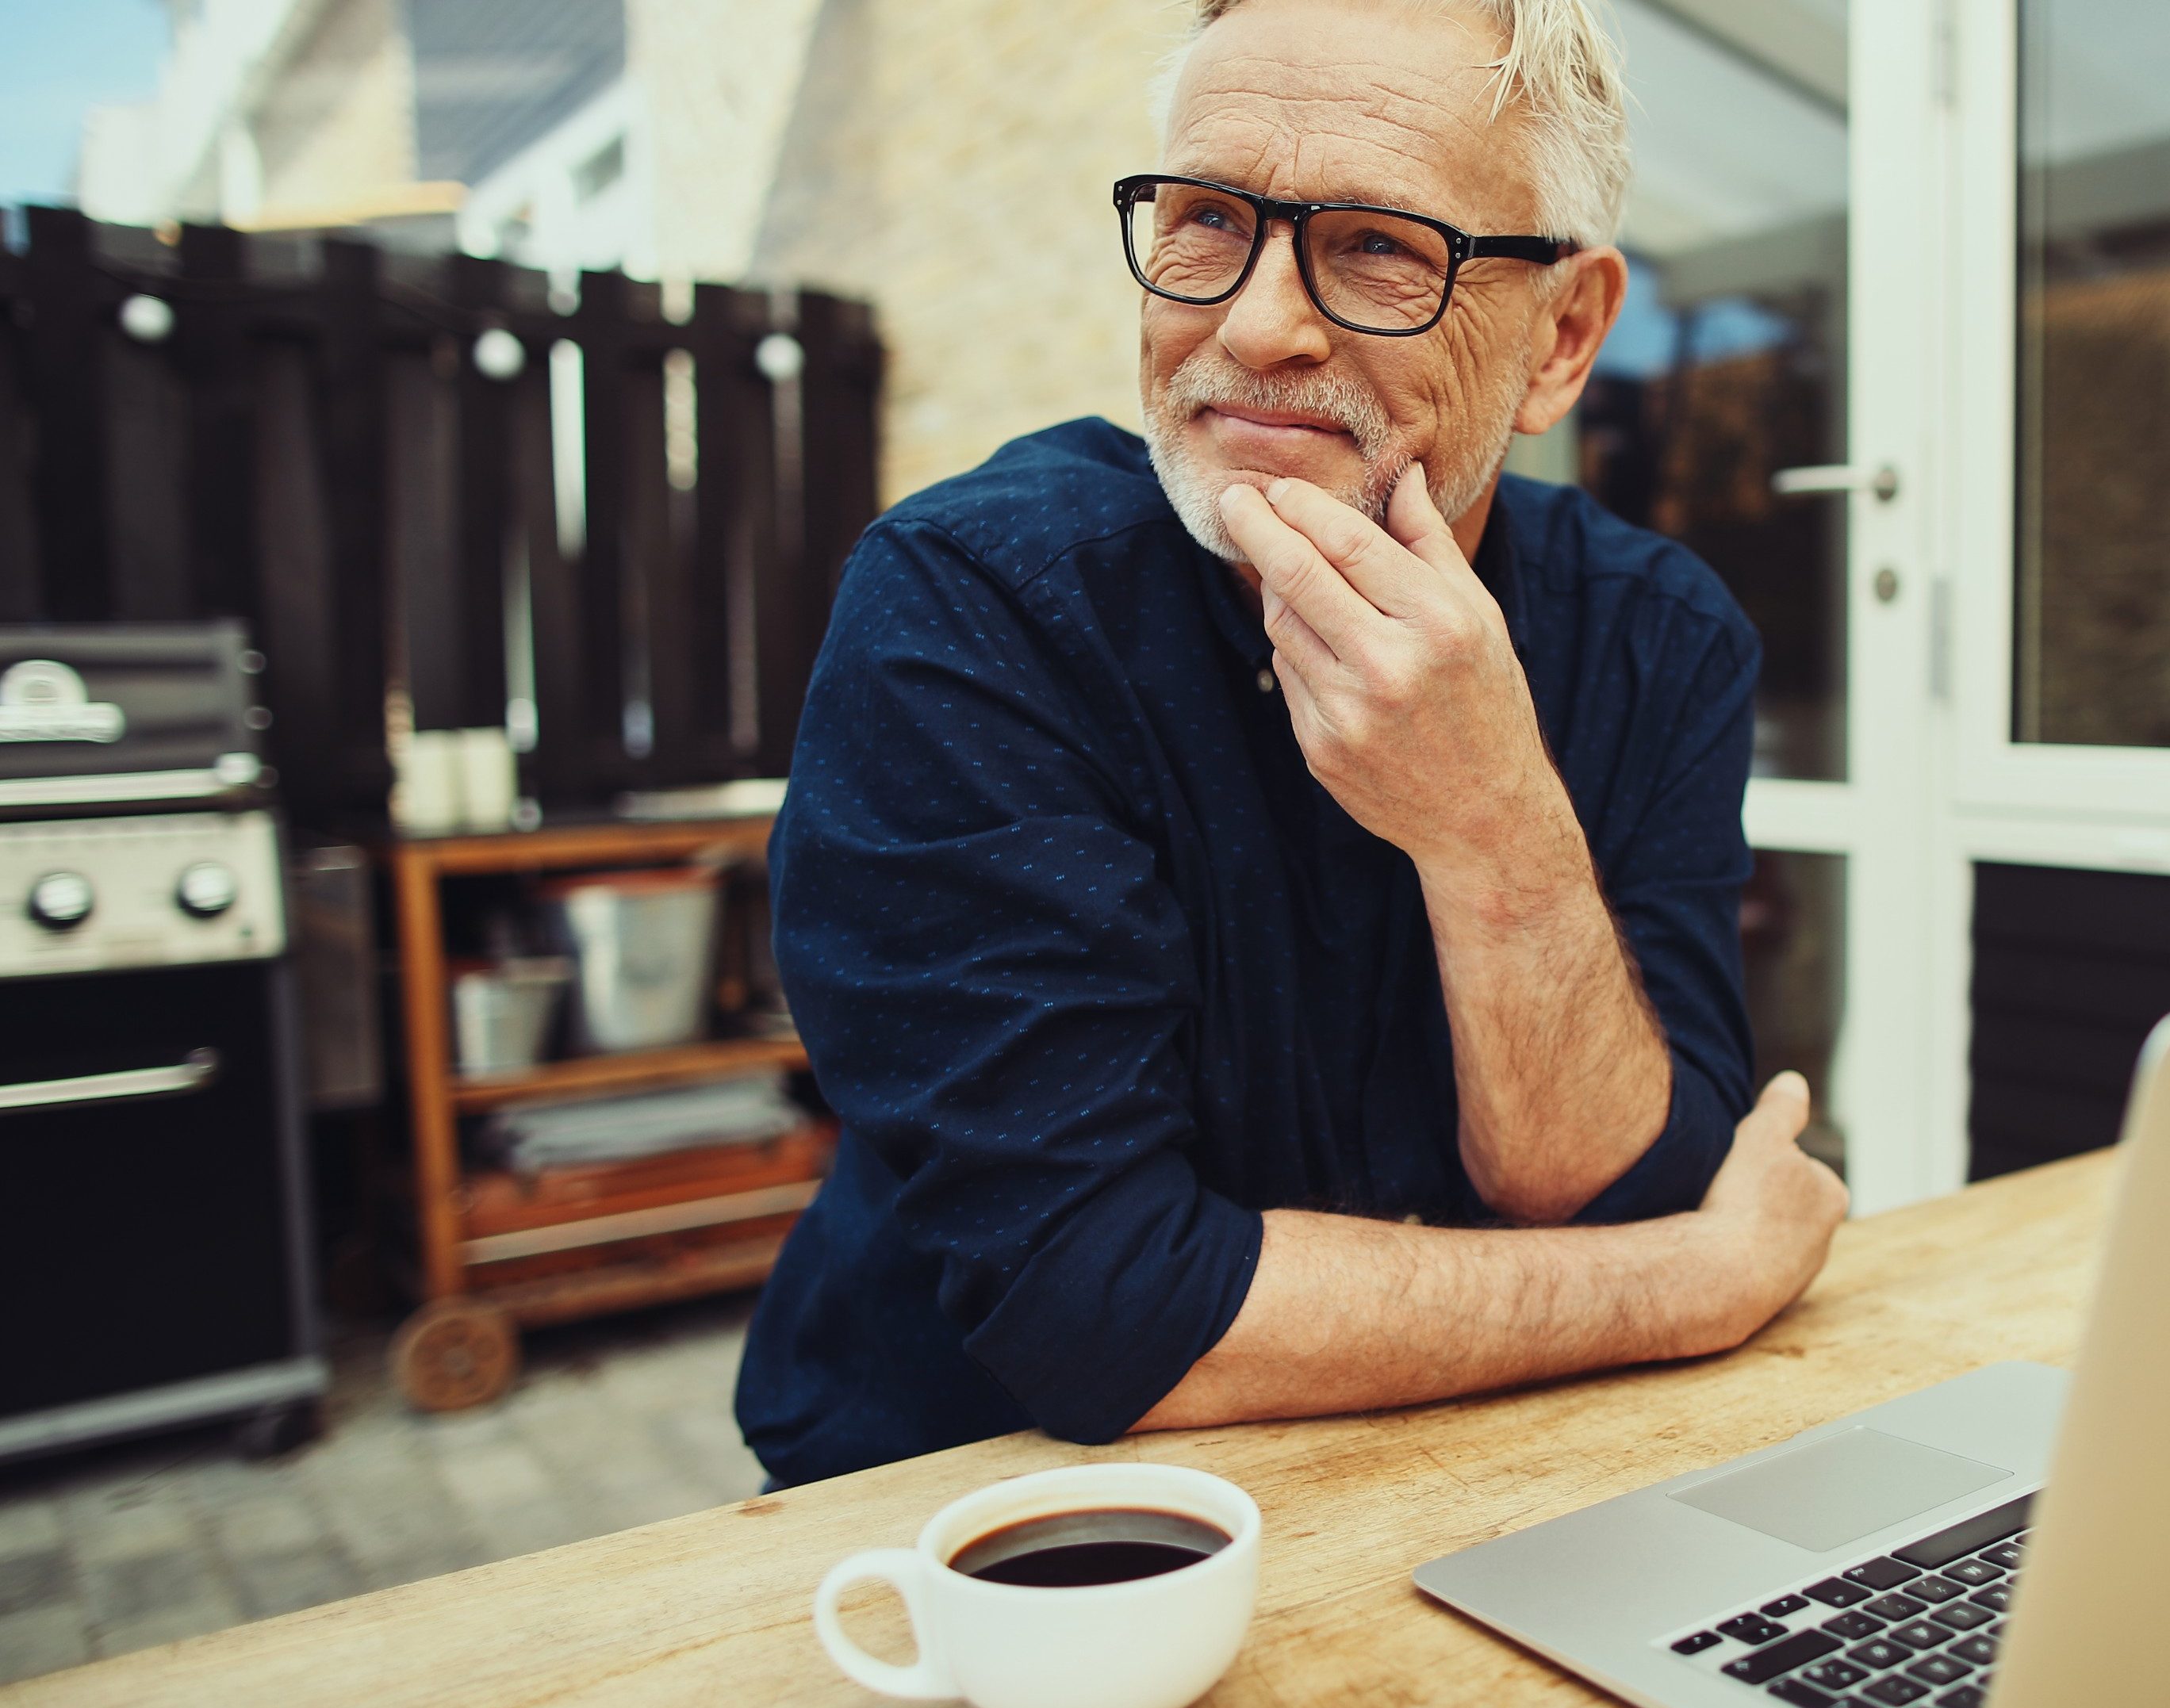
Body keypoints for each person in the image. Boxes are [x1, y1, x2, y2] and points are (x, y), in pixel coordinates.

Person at [735, 0, 1846, 1488]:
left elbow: (1608, 1179)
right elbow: (1100, 1306)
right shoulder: (978, 608)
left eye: (1380, 245)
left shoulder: (1658, 634)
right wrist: (1689, 1285)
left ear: (1561, 338)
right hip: (976, 1519)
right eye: (1206, 220)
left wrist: (1493, 822)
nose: (1257, 326)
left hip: (1480, 1469)